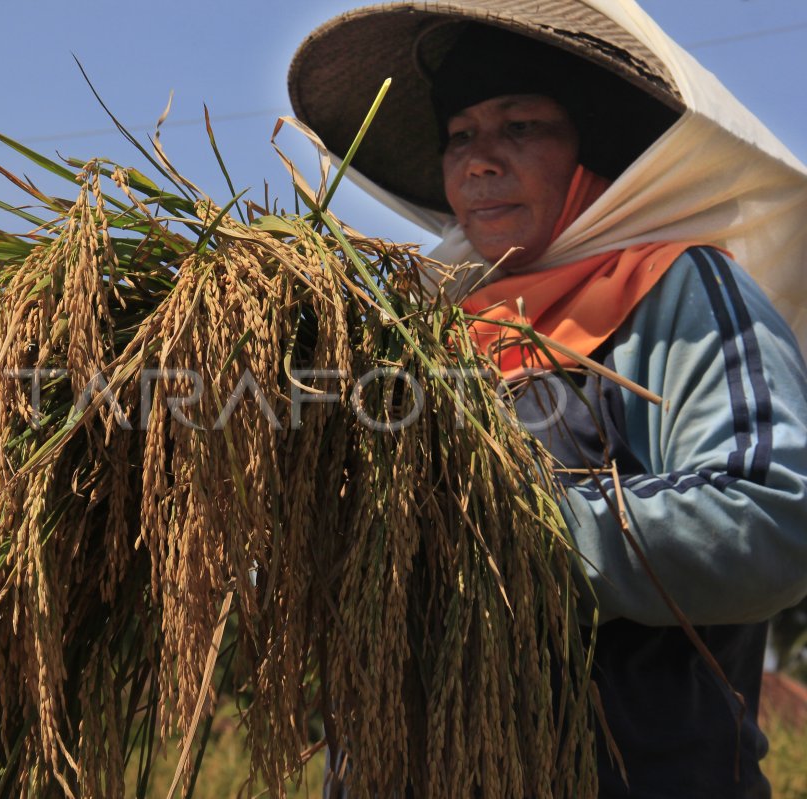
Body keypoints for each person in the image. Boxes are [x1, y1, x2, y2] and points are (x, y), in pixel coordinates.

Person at [288, 2, 807, 797]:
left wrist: (509, 527)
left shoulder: (670, 292)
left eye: (520, 126)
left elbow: (768, 511)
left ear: (591, 147)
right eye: (460, 136)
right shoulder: (420, 335)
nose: (479, 161)